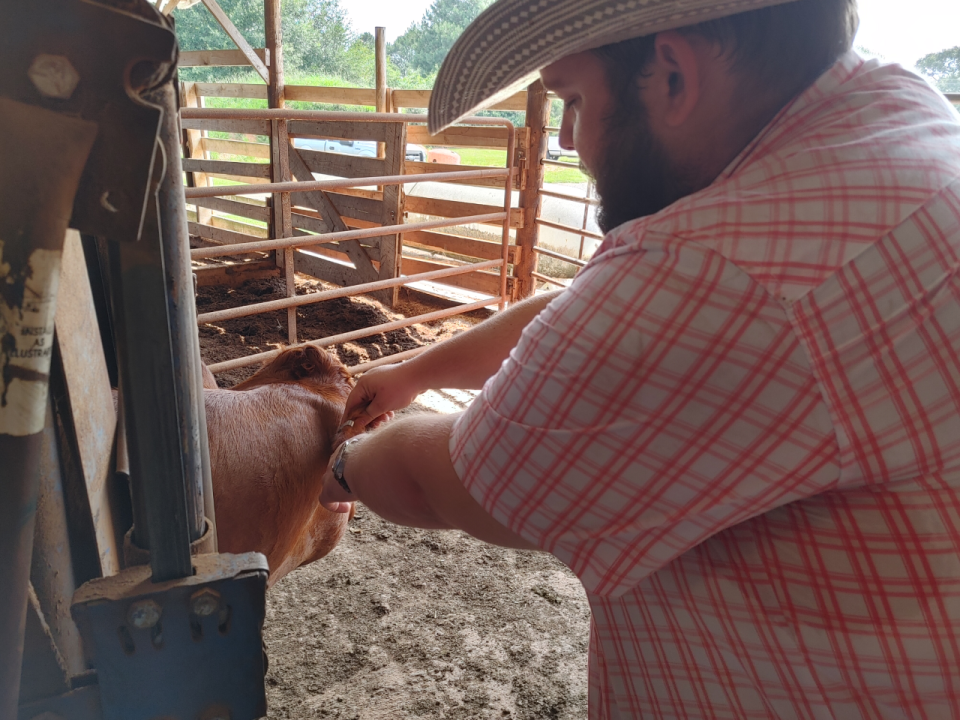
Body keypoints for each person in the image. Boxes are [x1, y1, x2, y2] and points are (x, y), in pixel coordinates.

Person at [320, 0, 960, 715]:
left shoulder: (725, 269)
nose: (567, 137)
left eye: (572, 100)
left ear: (674, 76)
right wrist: (418, 372)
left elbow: (456, 481)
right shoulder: (889, 114)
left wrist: (334, 462)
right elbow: (601, 307)